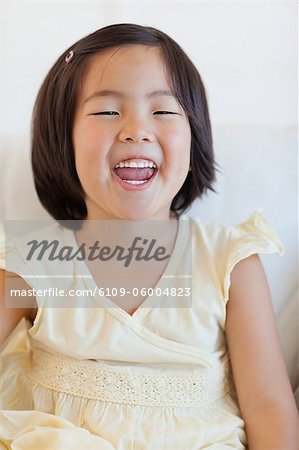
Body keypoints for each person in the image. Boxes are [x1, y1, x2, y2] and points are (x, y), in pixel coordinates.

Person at [0, 23, 298, 449]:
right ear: (62, 141)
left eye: (162, 111)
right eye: (106, 111)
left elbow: (269, 407)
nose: (136, 130)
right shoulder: (30, 262)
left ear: (194, 141)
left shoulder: (228, 261)